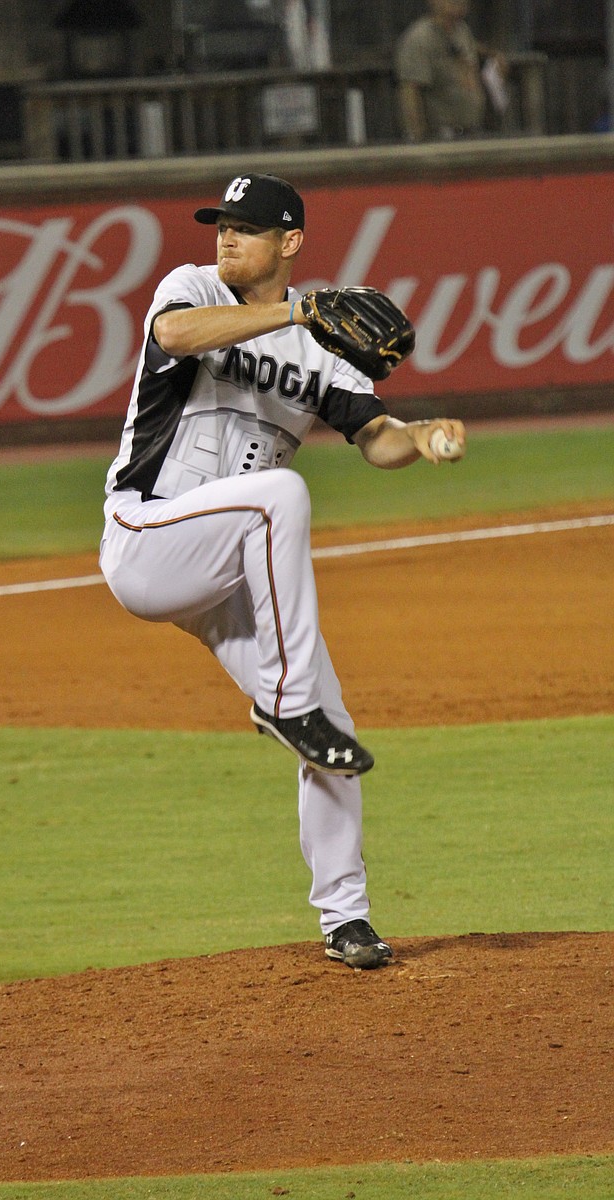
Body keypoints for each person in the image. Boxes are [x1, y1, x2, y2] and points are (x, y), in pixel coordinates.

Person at [99, 173, 466, 970]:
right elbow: (177, 338)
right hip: (149, 537)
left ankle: (347, 919)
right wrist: (298, 311)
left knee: (333, 732)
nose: (225, 238)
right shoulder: (194, 286)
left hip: (231, 574)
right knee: (279, 495)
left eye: (246, 228)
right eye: (221, 224)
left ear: (290, 242)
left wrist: (423, 433)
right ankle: (289, 704)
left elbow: (374, 437)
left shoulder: (322, 348)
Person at [395, 0, 489, 143]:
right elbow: (410, 90)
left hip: (471, 129)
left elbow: (470, 66)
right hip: (440, 134)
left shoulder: (462, 31)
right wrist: (417, 136)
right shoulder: (419, 38)